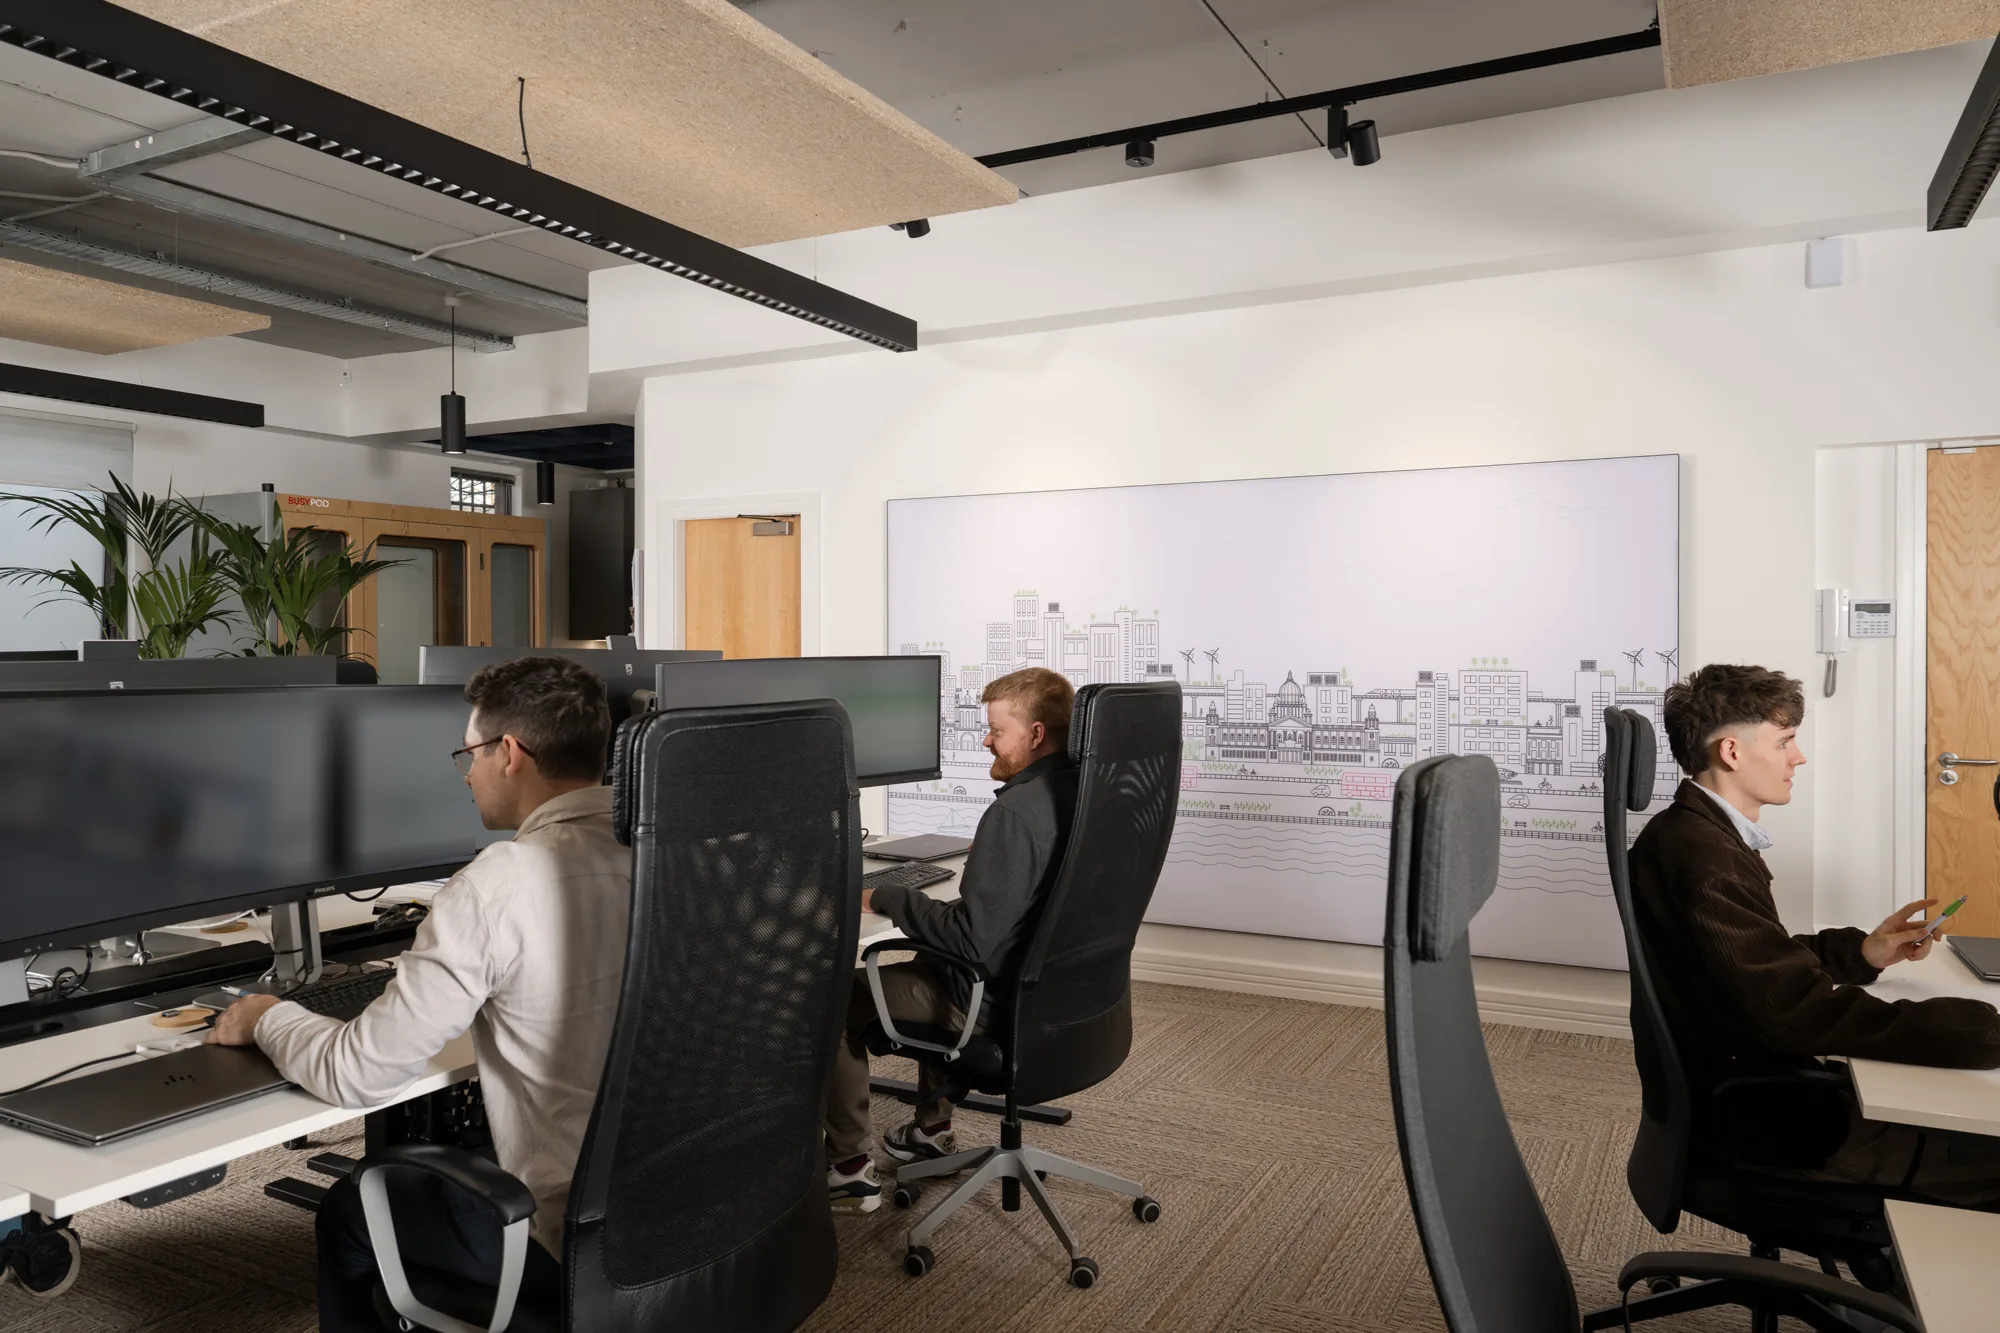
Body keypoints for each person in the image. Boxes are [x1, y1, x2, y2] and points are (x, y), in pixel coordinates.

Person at [207, 656, 630, 1329]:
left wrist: (267, 1017)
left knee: (355, 1206)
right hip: (686, 1213)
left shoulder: (499, 885)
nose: (467, 773)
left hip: (573, 1240)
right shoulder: (666, 849)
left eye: (470, 753)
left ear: (510, 753)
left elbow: (360, 1072)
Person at [1630, 663, 2000, 1205]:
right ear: (1732, 752)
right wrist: (1979, 1028)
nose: (1797, 758)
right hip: (1771, 1125)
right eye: (1784, 742)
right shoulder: (1707, 861)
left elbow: (1747, 961)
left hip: (1741, 1090)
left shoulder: (1691, 834)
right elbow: (1793, 1013)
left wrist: (1861, 953)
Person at [823, 666, 1080, 1213]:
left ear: (1036, 734)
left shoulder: (1015, 813)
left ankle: (847, 1168)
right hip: (1051, 997)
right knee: (927, 955)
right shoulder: (1080, 791)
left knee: (831, 997)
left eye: (996, 730)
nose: (985, 739)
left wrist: (891, 897)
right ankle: (931, 1131)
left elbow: (970, 943)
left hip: (988, 1002)